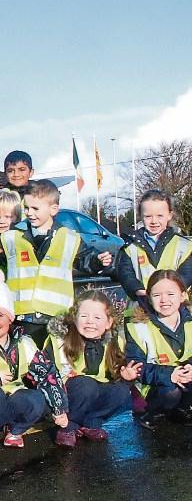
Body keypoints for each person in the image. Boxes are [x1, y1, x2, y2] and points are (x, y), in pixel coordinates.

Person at [0, 271, 67, 457]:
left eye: (0, 314)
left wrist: (59, 409)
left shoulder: (25, 343)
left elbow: (48, 375)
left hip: (9, 401)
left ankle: (15, 430)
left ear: (10, 318)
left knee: (35, 399)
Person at [1, 179, 111, 346]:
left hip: (56, 319)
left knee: (56, 365)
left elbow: (84, 258)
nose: (29, 213)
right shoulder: (12, 236)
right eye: (26, 208)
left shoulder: (69, 238)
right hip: (22, 318)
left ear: (53, 209)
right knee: (24, 364)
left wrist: (98, 261)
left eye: (35, 208)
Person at [46, 289, 137, 446]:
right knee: (86, 385)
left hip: (95, 390)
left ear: (108, 323)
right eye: (84, 316)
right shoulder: (60, 340)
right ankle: (68, 426)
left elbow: (115, 375)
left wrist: (126, 378)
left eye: (97, 317)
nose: (90, 321)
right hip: (65, 395)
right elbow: (47, 375)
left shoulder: (114, 342)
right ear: (74, 318)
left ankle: (91, 422)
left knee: (121, 391)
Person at [125, 269, 192, 430]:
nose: (164, 300)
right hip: (154, 387)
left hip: (186, 377)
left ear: (182, 295)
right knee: (171, 391)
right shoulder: (138, 326)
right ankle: (153, 414)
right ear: (149, 298)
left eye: (171, 294)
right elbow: (137, 368)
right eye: (157, 295)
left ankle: (182, 409)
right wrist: (170, 375)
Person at [117, 190, 192, 311]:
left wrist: (164, 295)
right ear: (141, 216)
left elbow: (186, 276)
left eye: (160, 216)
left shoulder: (185, 246)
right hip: (141, 310)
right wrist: (139, 291)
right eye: (148, 216)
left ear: (169, 215)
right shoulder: (130, 247)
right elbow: (126, 275)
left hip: (175, 311)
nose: (154, 221)